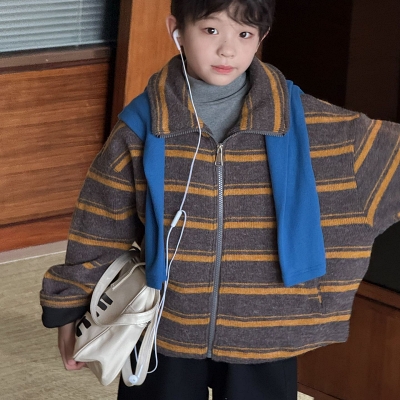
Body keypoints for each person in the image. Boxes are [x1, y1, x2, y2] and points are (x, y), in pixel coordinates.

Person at [40, 0, 400, 399]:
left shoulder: (313, 124)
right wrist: (70, 306)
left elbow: (390, 158)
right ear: (177, 29)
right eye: (211, 30)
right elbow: (100, 223)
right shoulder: (143, 125)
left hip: (266, 330)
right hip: (166, 327)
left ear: (261, 37)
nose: (228, 50)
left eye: (244, 34)